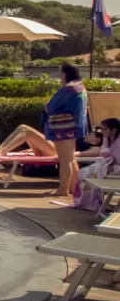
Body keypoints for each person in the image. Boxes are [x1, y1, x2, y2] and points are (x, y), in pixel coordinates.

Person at [43, 62, 88, 196]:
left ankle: (63, 189)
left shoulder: (68, 89)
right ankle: (73, 187)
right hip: (74, 127)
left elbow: (50, 106)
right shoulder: (80, 87)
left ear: (64, 74)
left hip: (63, 127)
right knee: (70, 158)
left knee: (65, 159)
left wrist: (46, 107)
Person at [64, 118, 120, 209]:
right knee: (84, 171)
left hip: (117, 166)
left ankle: (94, 202)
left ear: (114, 130)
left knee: (95, 173)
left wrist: (111, 164)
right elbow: (104, 150)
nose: (102, 131)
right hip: (108, 163)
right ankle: (87, 201)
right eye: (101, 129)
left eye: (105, 129)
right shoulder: (107, 139)